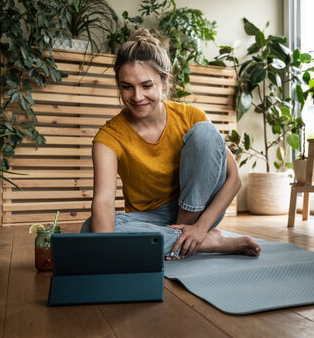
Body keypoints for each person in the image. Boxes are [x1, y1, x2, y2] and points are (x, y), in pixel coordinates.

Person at [81, 28, 261, 260]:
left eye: (146, 85)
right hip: (150, 218)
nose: (137, 97)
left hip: (199, 209)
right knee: (90, 229)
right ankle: (208, 243)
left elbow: (234, 179)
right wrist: (105, 251)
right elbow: (103, 201)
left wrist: (199, 226)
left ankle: (189, 234)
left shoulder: (190, 116)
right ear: (118, 85)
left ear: (164, 82)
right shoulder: (109, 137)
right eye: (127, 87)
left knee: (205, 132)